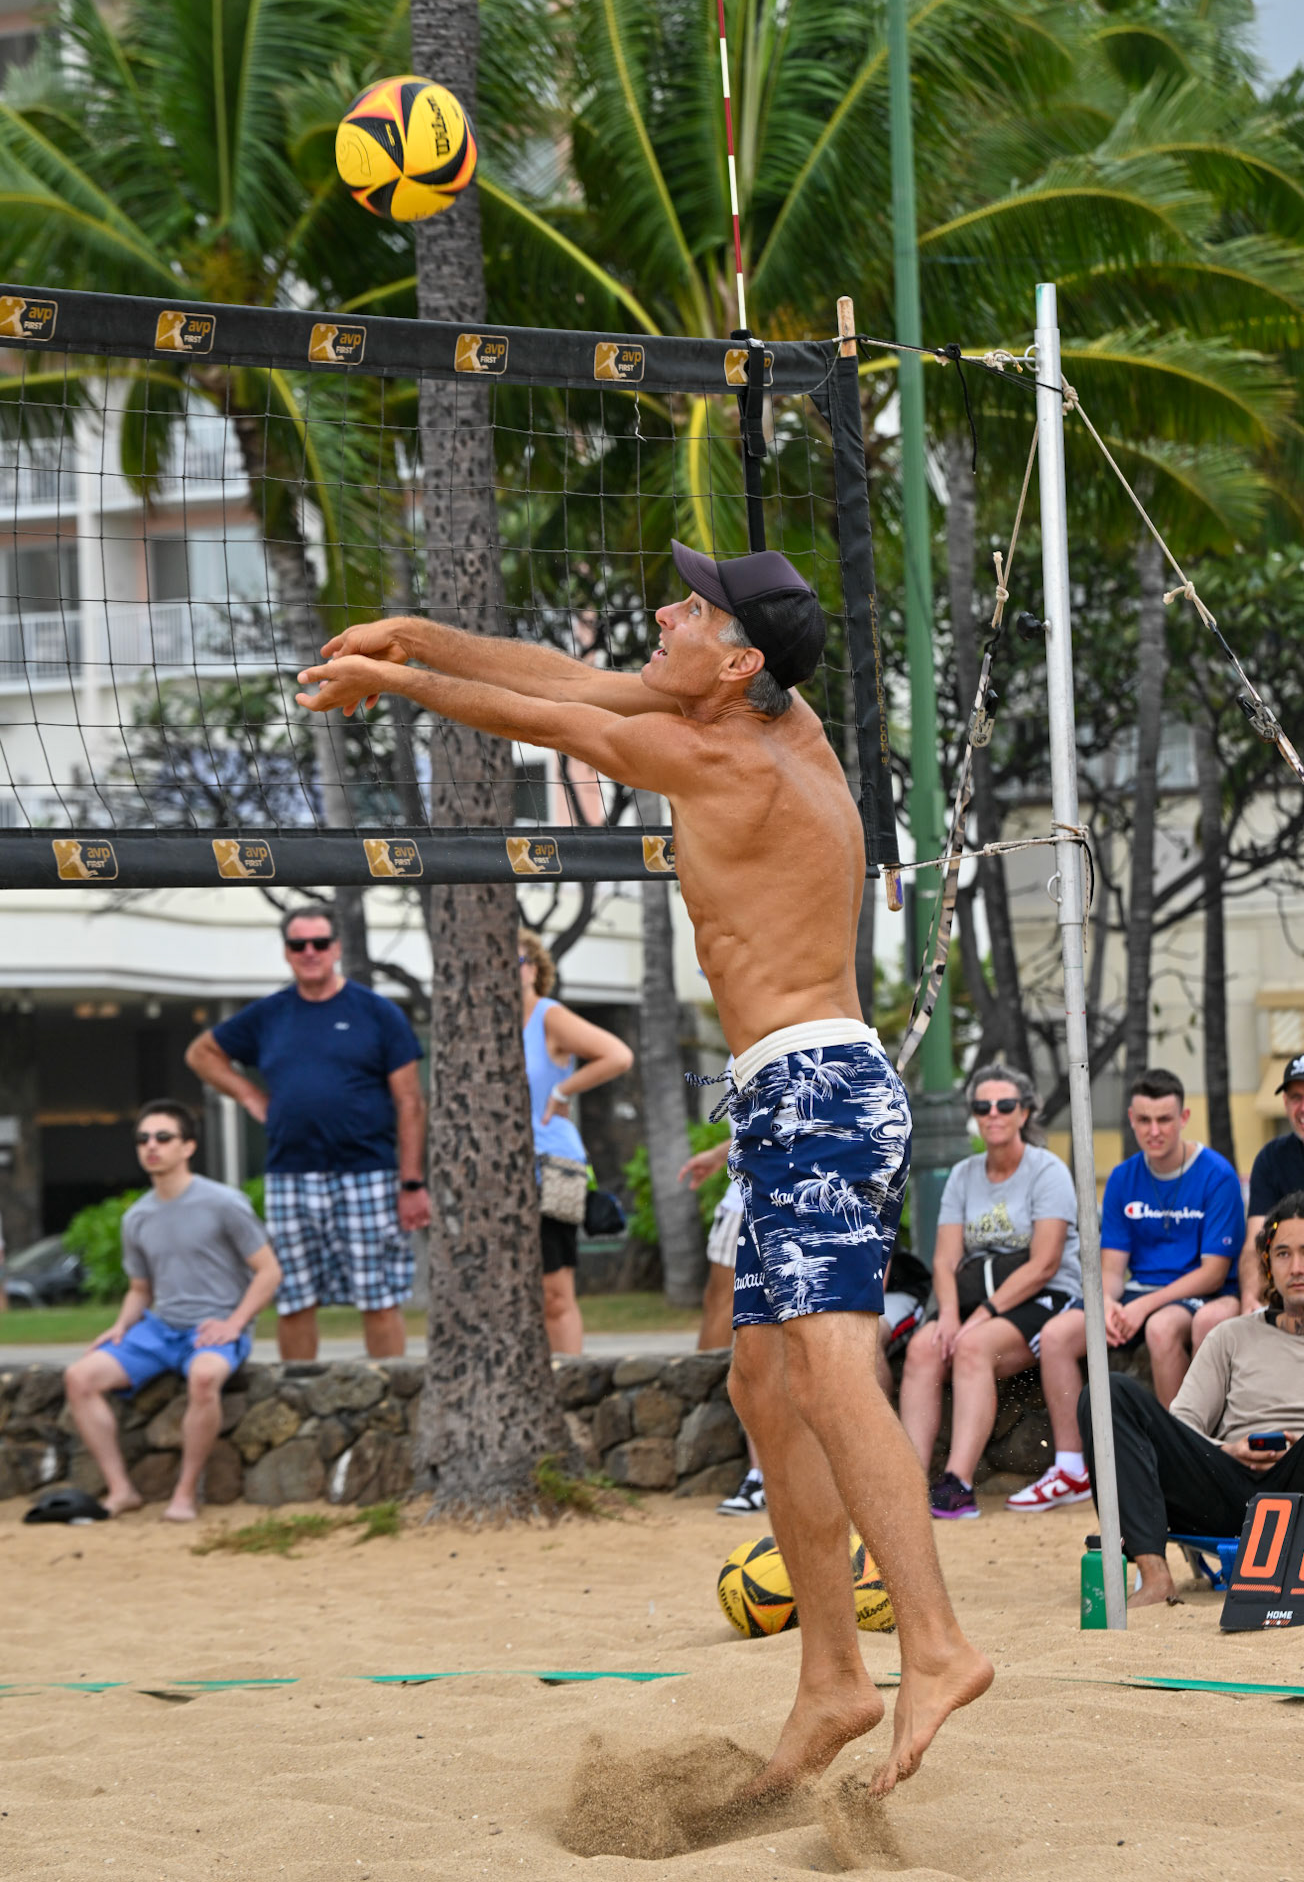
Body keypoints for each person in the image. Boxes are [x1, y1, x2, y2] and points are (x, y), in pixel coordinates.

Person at [296, 540, 991, 1799]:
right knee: (767, 1378)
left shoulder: (712, 754)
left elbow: (537, 713)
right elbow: (562, 669)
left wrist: (402, 685)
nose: (668, 609)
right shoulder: (782, 716)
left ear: (735, 660)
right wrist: (410, 629)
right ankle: (833, 1673)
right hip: (796, 1087)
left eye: (692, 604)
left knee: (831, 1363)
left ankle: (934, 1645)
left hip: (819, 1084)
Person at [1078, 1186, 1304, 1607]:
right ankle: (1155, 1577)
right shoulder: (1231, 1335)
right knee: (1108, 1392)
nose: (1296, 1267)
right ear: (1267, 1263)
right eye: (1282, 1254)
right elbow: (1182, 1428)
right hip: (1231, 1490)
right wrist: (1228, 1449)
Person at [186, 906, 429, 1362]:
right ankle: (301, 1403)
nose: (311, 952)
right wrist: (249, 1096)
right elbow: (202, 1053)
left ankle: (391, 1402)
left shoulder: (378, 1013)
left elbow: (411, 1103)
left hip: (369, 1173)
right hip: (291, 1175)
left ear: (336, 948)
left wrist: (412, 1183)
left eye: (320, 943)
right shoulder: (269, 1014)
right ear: (287, 952)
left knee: (378, 1298)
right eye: (300, 945)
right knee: (294, 1299)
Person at [1007, 1067, 1244, 1513]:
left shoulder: (1217, 1175)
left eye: (1165, 1120)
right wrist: (1109, 1304)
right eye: (1145, 1121)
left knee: (1161, 1328)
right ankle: (1071, 1465)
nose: (1154, 1131)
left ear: (1184, 1116)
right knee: (1059, 1335)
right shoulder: (1122, 1177)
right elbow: (1112, 1267)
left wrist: (1142, 1308)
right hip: (1138, 1291)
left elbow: (1214, 1272)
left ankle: (1181, 1455)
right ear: (1132, 1119)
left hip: (1198, 1292)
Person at [63, 1102, 281, 1520]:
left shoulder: (223, 1203)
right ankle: (122, 1490)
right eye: (143, 1139)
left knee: (203, 1378)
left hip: (214, 1328)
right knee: (80, 1377)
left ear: (188, 1147)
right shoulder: (137, 1217)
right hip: (160, 1329)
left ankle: (184, 1494)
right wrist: (121, 1326)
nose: (151, 1147)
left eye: (163, 1138)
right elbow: (140, 1289)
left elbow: (269, 1272)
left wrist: (235, 1324)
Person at [900, 1065, 1083, 1520]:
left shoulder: (1048, 1171)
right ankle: (903, 1481)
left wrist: (981, 1315)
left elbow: (1044, 1263)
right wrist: (946, 1315)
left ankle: (957, 1485)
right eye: (983, 1106)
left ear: (1024, 1113)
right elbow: (944, 1259)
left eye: (1005, 1105)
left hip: (1044, 1298)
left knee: (972, 1347)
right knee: (924, 1348)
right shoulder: (963, 1176)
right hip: (976, 1300)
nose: (994, 1114)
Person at [1194, 1052, 1304, 1349]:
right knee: (1217, 1323)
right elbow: (1255, 1243)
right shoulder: (1272, 1158)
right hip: (1288, 1290)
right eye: (1295, 1097)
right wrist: (1251, 1297)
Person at [519, 927, 633, 1355]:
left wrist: (562, 1091)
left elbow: (618, 1055)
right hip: (498, 1170)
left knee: (554, 1289)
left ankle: (566, 1385)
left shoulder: (547, 1015)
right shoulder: (479, 1024)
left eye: (512, 964)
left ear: (532, 969)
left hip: (552, 1164)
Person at [682, 1130, 766, 1514]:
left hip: (768, 1196)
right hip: (751, 1193)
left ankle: (708, 1429)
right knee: (732, 1313)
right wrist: (721, 1153)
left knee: (735, 1311)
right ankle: (708, 1427)